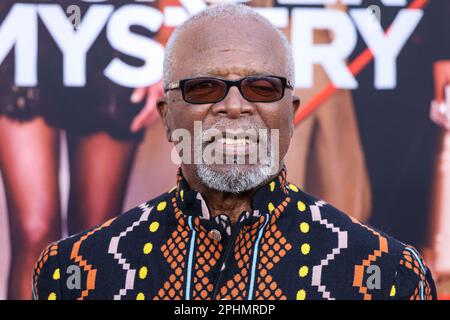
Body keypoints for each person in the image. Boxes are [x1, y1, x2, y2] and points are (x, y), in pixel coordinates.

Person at [33, 4, 436, 300]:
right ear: (168, 115)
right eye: (204, 87)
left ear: (291, 112)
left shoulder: (389, 275)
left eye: (262, 88)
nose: (234, 106)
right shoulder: (78, 273)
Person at [0, 0, 162, 299]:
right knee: (33, 231)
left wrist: (165, 49)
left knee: (93, 237)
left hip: (116, 30)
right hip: (22, 27)